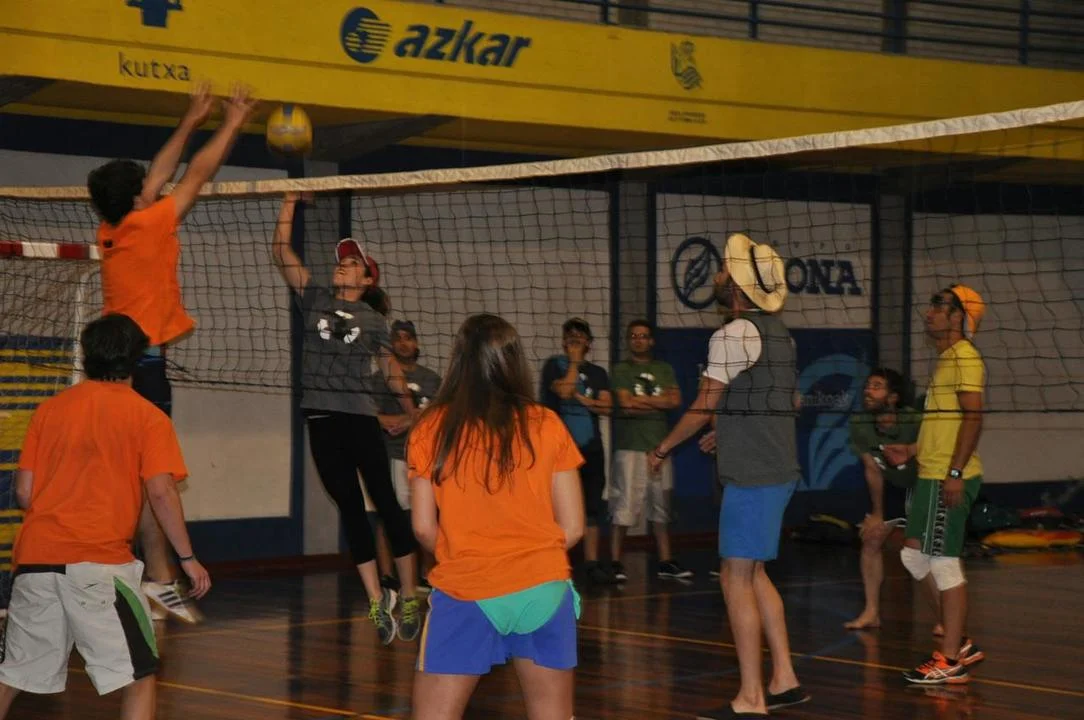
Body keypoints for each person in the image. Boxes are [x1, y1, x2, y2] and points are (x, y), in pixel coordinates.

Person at [86, 83, 255, 624]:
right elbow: (196, 174)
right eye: (145, 188)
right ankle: (153, 577)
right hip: (141, 368)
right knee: (152, 475)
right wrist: (231, 123)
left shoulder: (113, 226)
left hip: (114, 364)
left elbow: (158, 175)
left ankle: (153, 577)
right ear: (139, 199)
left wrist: (191, 117)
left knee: (138, 476)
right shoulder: (149, 223)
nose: (152, 187)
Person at [0, 314, 209, 720]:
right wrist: (187, 558)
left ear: (86, 356)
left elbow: (24, 493)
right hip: (99, 569)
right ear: (136, 359)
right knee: (140, 677)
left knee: (13, 675)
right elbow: (161, 492)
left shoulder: (50, 410)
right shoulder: (148, 417)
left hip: (35, 564)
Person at [649, 234, 809, 718]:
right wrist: (729, 431)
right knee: (754, 573)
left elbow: (702, 405)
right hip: (778, 469)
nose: (717, 272)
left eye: (724, 267)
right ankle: (784, 679)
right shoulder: (781, 334)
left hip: (754, 477)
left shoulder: (733, 334)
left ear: (736, 286)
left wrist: (663, 447)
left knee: (735, 578)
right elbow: (780, 402)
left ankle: (751, 698)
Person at [407, 314, 585, 720]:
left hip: (467, 587)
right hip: (543, 588)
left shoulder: (431, 427)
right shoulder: (547, 423)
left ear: (459, 360)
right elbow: (574, 527)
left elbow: (422, 527)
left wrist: (469, 554)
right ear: (514, 361)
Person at [271, 192, 422, 645]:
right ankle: (377, 599)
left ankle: (409, 594)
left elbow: (391, 369)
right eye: (341, 261)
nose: (342, 265)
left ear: (367, 277)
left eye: (352, 263)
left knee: (386, 504)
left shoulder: (374, 320)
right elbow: (281, 251)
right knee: (351, 509)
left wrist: (412, 413)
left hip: (358, 416)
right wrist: (289, 202)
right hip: (321, 417)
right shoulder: (315, 296)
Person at [884, 285, 988, 685]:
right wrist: (912, 449)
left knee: (943, 563)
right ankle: (960, 641)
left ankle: (950, 660)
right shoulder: (946, 359)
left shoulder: (965, 358)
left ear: (959, 316)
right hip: (930, 473)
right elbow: (945, 423)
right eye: (931, 304)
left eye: (939, 306)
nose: (929, 312)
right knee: (914, 556)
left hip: (949, 476)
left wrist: (956, 473)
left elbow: (974, 418)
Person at [844, 368, 935, 631]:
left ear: (893, 397)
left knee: (923, 552)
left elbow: (939, 445)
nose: (868, 391)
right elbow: (872, 469)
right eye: (867, 385)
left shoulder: (914, 421)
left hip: (922, 484)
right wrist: (877, 513)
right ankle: (872, 612)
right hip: (893, 486)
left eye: (876, 386)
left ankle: (945, 619)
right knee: (871, 539)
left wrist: (911, 450)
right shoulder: (860, 424)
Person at [609, 319, 691, 581]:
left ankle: (665, 561)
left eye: (643, 336)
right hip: (630, 446)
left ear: (651, 340)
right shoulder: (621, 370)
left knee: (661, 507)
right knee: (624, 506)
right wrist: (658, 402)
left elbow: (675, 401)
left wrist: (641, 400)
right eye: (633, 336)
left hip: (660, 446)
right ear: (628, 341)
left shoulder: (664, 369)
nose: (638, 340)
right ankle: (614, 562)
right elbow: (627, 405)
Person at [540, 318, 614, 584]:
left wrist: (585, 400)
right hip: (559, 450)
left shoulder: (598, 373)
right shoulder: (554, 366)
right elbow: (564, 391)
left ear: (588, 342)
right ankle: (557, 562)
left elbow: (606, 406)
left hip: (591, 448)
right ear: (563, 341)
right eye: (570, 336)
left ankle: (592, 563)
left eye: (580, 336)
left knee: (592, 506)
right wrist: (573, 363)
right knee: (558, 507)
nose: (574, 340)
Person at [375, 320, 442, 590]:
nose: (403, 343)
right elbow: (373, 417)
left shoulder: (432, 379)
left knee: (426, 515)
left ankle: (428, 574)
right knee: (391, 515)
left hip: (425, 457)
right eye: (398, 338)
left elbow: (440, 416)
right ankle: (387, 576)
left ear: (416, 343)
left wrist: (413, 420)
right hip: (394, 455)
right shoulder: (380, 379)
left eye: (408, 338)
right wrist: (405, 419)